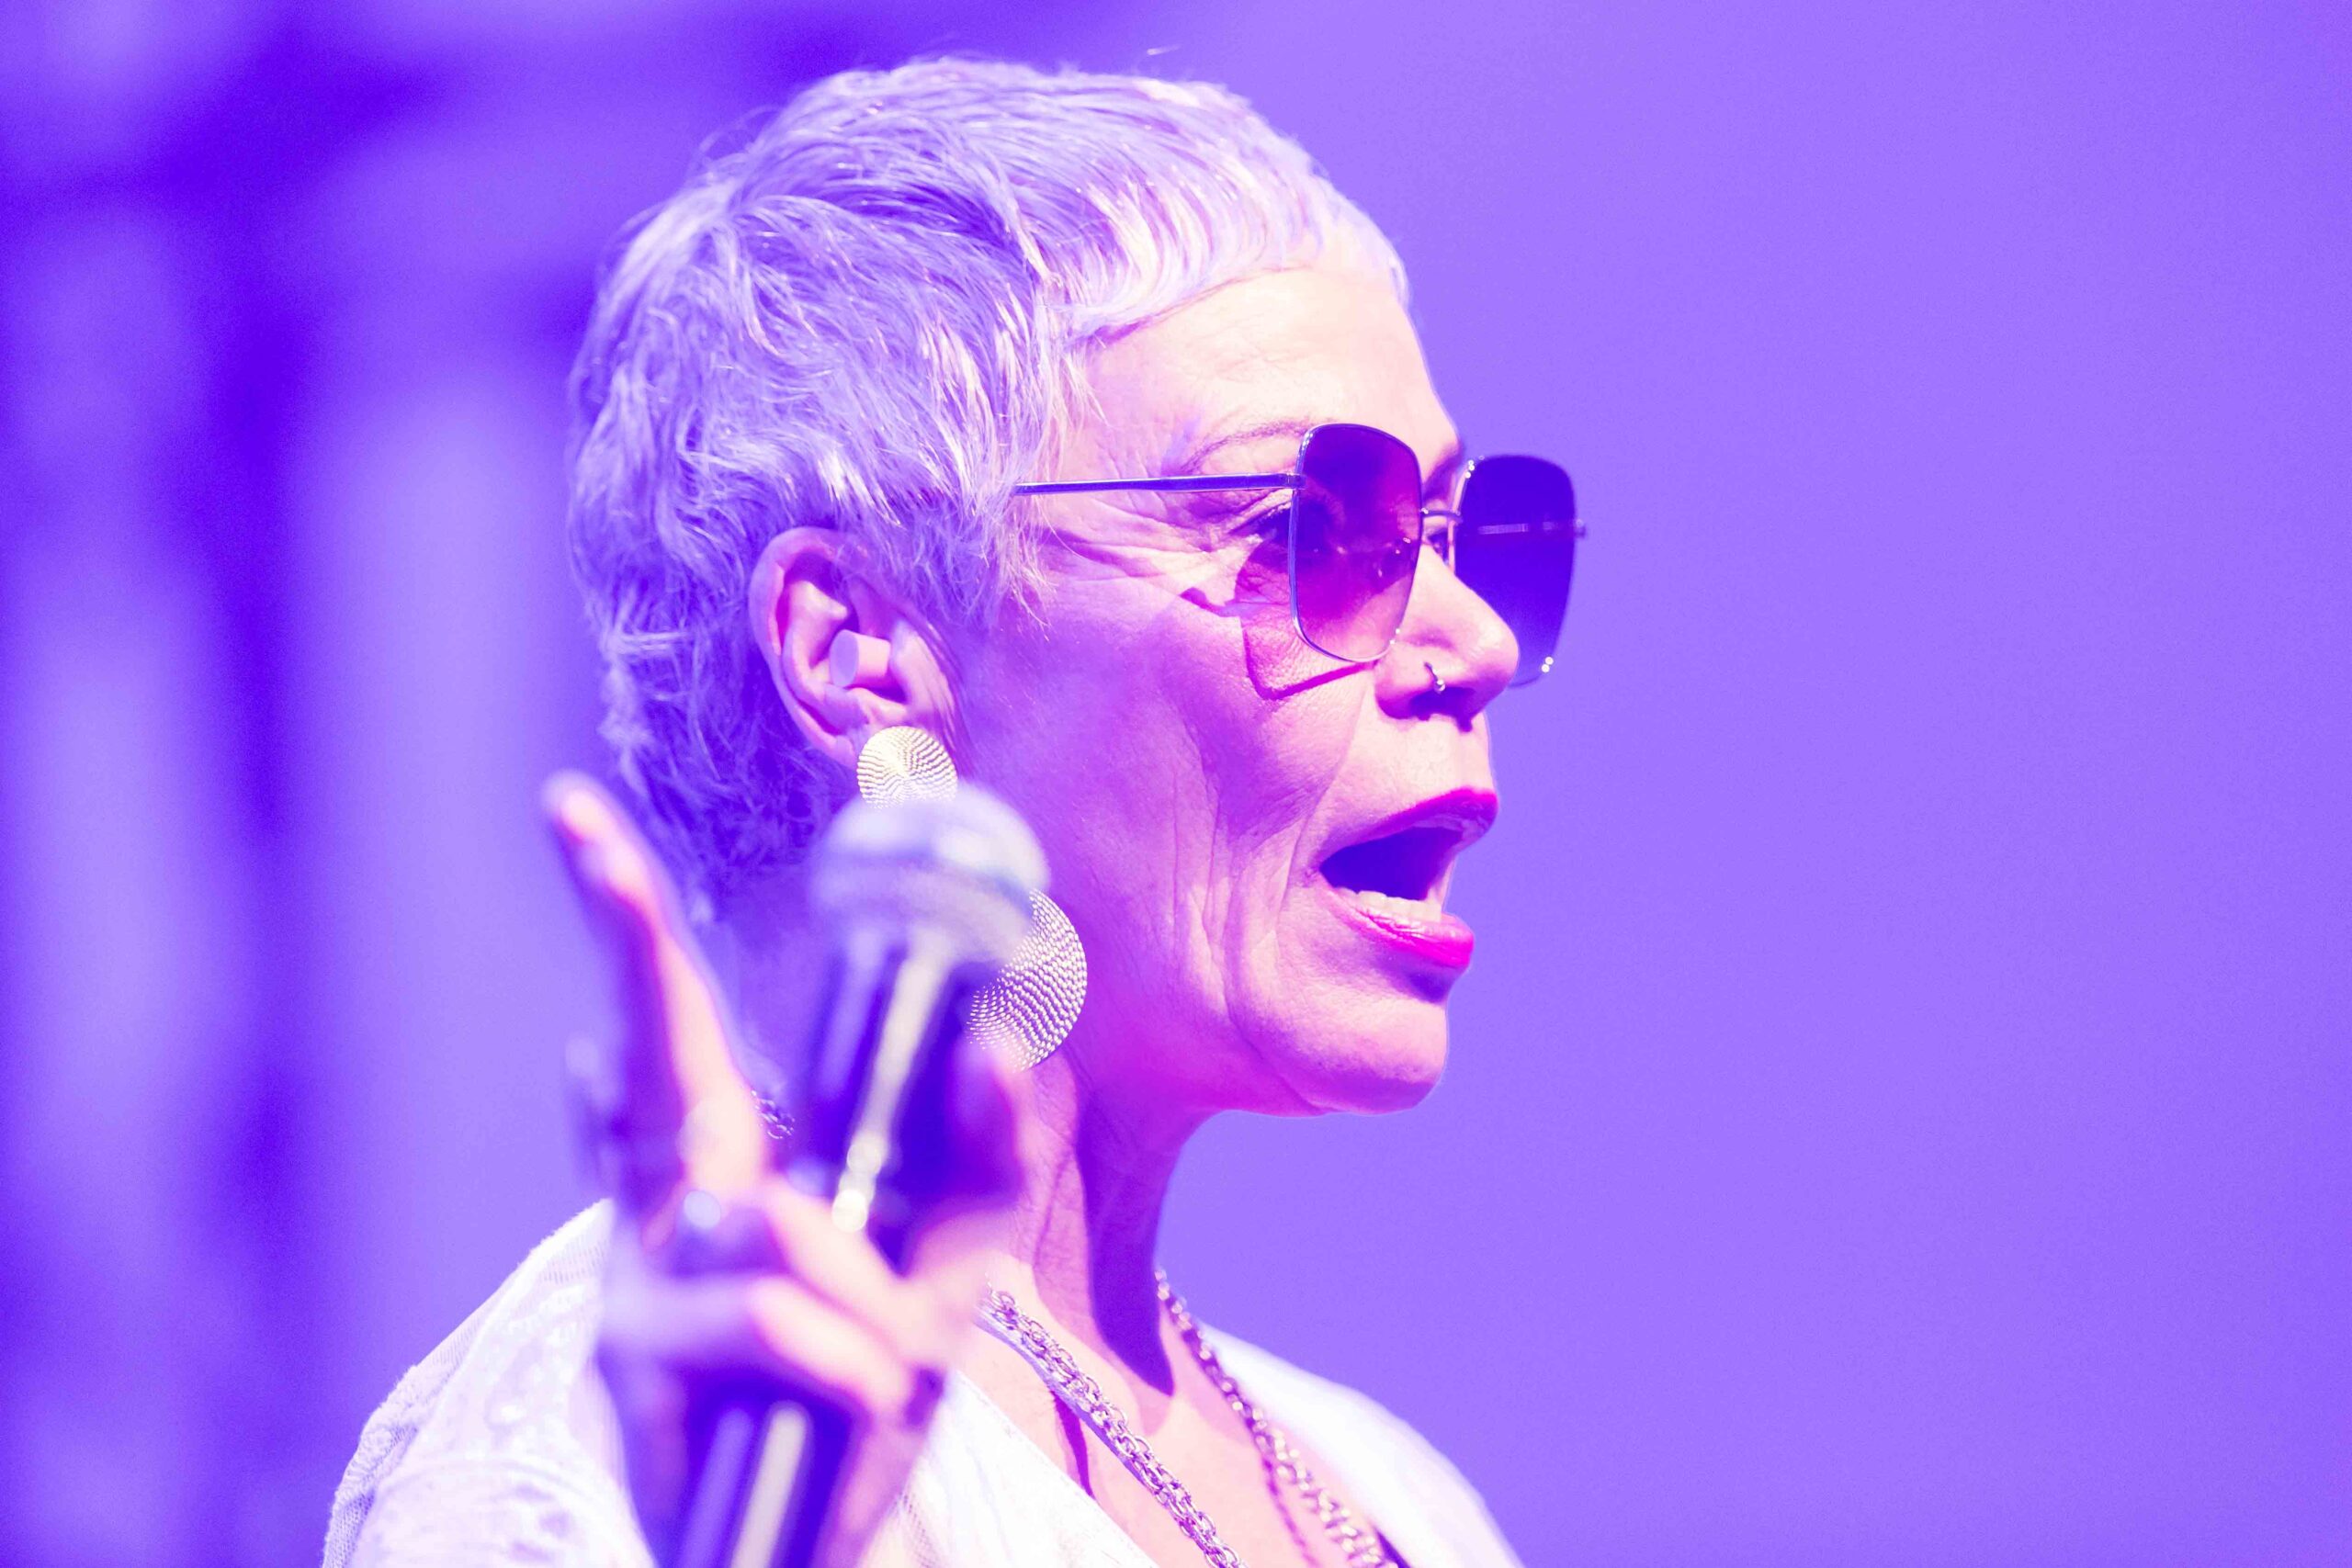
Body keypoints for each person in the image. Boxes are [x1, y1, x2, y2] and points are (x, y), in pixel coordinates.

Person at [325, 55, 1579, 1568]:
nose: (1474, 639)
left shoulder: (1398, 1497)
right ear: (860, 647)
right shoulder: (604, 1442)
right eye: (1311, 528)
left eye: (1448, 534)